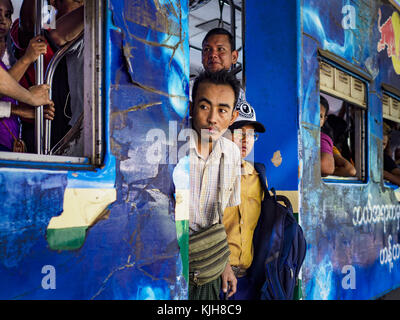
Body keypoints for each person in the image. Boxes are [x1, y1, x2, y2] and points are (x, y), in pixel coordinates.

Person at [189, 69, 241, 300]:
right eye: (204, 106)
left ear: (232, 118)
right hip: (168, 267)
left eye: (222, 110)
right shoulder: (171, 150)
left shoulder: (232, 154)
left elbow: (225, 217)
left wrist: (225, 265)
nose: (212, 118)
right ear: (192, 107)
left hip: (208, 271)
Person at [11, 0, 84, 153]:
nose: (82, 6)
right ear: (54, 2)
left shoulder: (90, 37)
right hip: (40, 124)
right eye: (77, 1)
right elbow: (30, 24)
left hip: (71, 122)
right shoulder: (42, 30)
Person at [221, 101, 266, 300]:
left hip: (248, 280)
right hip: (215, 280)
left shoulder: (258, 177)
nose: (246, 140)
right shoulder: (211, 174)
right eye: (239, 133)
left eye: (251, 135)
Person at [0, 0, 54, 151]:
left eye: (7, 15)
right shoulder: (25, 33)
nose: (2, 20)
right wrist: (28, 100)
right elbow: (30, 25)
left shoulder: (50, 21)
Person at [190, 28, 245, 107]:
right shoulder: (187, 88)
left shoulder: (240, 96)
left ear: (234, 57)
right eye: (207, 49)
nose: (213, 54)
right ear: (202, 56)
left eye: (220, 49)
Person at [320, 96, 356, 177]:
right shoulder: (332, 146)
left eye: (320, 116)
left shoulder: (323, 139)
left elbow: (326, 168)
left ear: (324, 120)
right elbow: (351, 170)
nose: (313, 118)